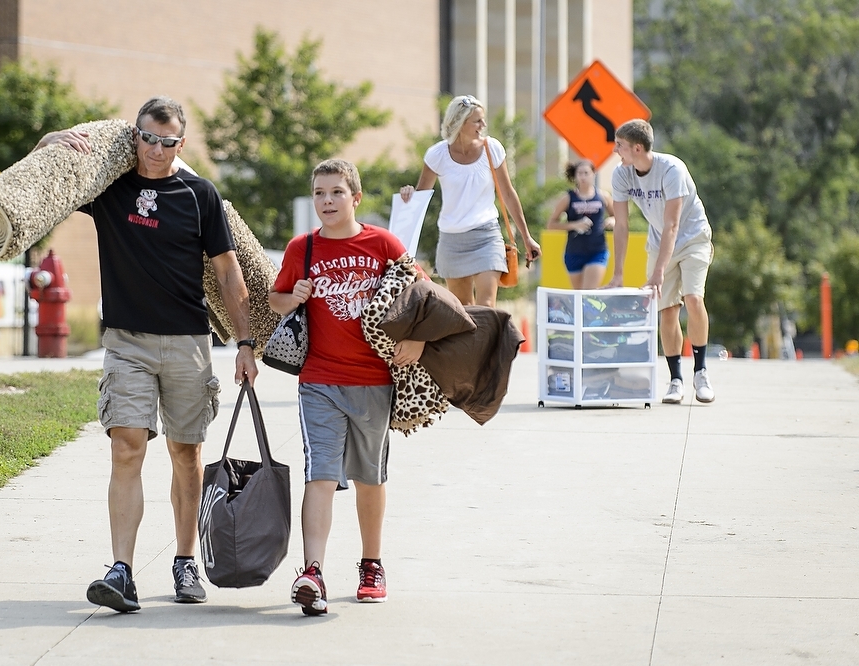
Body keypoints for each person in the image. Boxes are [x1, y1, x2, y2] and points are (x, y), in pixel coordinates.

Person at [35, 96, 259, 613]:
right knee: (127, 445)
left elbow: (228, 272)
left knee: (186, 454)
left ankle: (185, 562)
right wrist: (50, 142)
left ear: (181, 144)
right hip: (126, 342)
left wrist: (244, 343)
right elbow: (46, 184)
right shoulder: (110, 188)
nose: (155, 149)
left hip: (187, 341)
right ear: (134, 135)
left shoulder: (199, 194)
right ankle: (122, 571)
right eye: (147, 137)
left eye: (167, 141)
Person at [269, 158, 420, 616]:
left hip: (374, 381)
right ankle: (311, 572)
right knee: (320, 476)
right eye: (319, 193)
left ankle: (371, 565)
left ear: (355, 198)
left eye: (336, 192)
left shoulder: (382, 243)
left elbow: (423, 294)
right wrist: (291, 296)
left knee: (369, 478)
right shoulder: (303, 247)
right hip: (319, 381)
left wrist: (415, 339)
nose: (327, 201)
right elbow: (276, 300)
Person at [607, 119, 715, 404]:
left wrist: (657, 274)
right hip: (659, 243)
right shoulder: (621, 175)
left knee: (693, 299)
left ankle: (701, 371)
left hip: (692, 238)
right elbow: (621, 225)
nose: (616, 150)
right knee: (667, 310)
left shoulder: (672, 171)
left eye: (620, 146)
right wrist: (617, 274)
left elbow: (672, 225)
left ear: (637, 148)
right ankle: (676, 379)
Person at [399, 94, 541, 307]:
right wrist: (408, 194)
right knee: (463, 309)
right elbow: (420, 198)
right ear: (459, 122)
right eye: (477, 120)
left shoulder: (491, 148)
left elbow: (509, 194)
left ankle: (489, 340)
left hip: (486, 235)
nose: (483, 124)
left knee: (486, 306)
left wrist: (526, 237)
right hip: (452, 240)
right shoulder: (437, 155)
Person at [546, 159, 615, 289]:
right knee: (578, 296)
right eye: (580, 173)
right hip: (574, 251)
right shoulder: (568, 198)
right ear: (575, 176)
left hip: (597, 250)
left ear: (593, 174)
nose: (583, 177)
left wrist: (612, 221)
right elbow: (551, 224)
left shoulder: (603, 196)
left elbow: (617, 216)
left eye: (586, 173)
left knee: (587, 292)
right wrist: (574, 225)